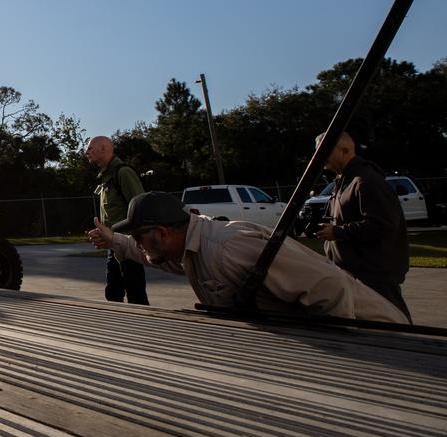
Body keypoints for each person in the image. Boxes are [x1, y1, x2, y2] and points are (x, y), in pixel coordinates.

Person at [87, 191, 408, 324]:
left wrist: (337, 360)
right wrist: (115, 240)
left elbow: (331, 288)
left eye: (140, 237)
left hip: (381, 336)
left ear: (162, 233)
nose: (139, 245)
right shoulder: (188, 249)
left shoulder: (229, 248)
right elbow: (146, 256)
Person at [313, 132, 411, 320]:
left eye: (324, 150)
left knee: (395, 323)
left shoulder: (366, 180)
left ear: (345, 151)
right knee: (376, 329)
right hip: (356, 271)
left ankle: (419, 349)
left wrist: (338, 231)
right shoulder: (344, 181)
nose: (319, 156)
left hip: (374, 274)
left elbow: (382, 224)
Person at [85, 135, 148, 305]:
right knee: (113, 294)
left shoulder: (123, 173)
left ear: (104, 148)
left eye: (90, 148)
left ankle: (146, 327)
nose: (86, 152)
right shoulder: (107, 177)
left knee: (136, 296)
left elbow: (140, 208)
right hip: (113, 245)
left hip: (127, 245)